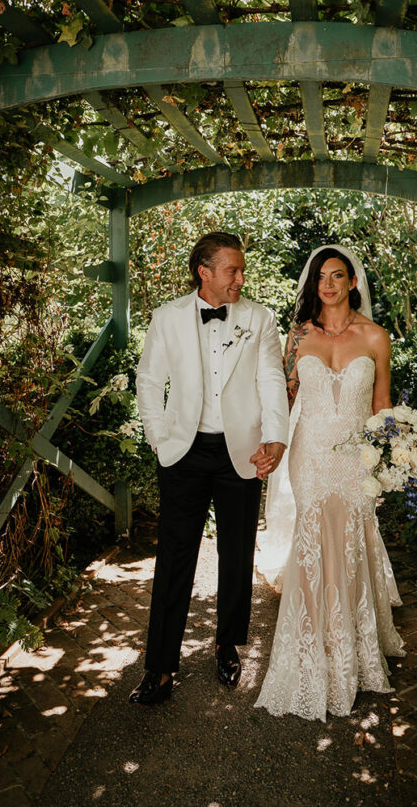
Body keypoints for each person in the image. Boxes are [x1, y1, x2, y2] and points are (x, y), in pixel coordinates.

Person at [130, 232, 289, 705]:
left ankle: (227, 644)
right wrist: (161, 440)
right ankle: (159, 668)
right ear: (205, 271)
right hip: (183, 453)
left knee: (237, 555)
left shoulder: (259, 318)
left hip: (240, 450)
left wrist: (275, 436)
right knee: (175, 558)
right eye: (232, 271)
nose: (241, 278)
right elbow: (148, 379)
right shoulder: (167, 317)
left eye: (241, 270)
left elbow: (271, 378)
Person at [255, 244, 405, 721]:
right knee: (315, 540)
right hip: (311, 455)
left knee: (352, 541)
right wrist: (271, 443)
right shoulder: (299, 337)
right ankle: (311, 650)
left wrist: (396, 453)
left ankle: (354, 652)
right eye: (320, 276)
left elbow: (382, 405)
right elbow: (282, 396)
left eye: (337, 276)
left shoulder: (376, 337)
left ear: (353, 282)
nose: (328, 284)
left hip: (354, 459)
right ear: (312, 283)